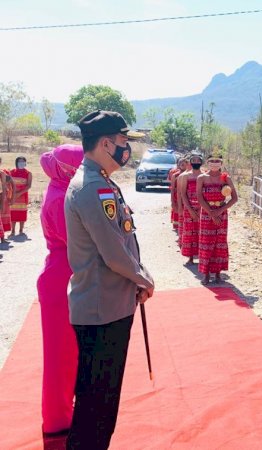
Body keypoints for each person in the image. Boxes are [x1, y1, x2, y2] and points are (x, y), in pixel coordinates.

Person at [64, 110, 155, 449]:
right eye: (123, 142)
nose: (127, 149)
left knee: (103, 403)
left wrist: (135, 282)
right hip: (102, 312)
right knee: (94, 407)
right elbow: (113, 254)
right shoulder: (91, 188)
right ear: (105, 143)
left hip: (111, 304)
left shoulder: (100, 181)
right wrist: (144, 279)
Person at [37, 144, 84, 445]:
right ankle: (57, 423)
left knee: (73, 354)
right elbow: (85, 243)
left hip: (68, 274)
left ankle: (69, 413)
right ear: (68, 170)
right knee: (59, 359)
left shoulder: (63, 189)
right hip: (63, 278)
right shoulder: (60, 199)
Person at [196, 155, 238, 284]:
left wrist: (219, 211)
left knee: (220, 242)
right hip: (206, 213)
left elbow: (234, 198)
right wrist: (211, 213)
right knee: (206, 242)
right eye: (212, 161)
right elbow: (199, 197)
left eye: (217, 161)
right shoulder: (202, 178)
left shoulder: (226, 178)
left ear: (221, 163)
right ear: (208, 163)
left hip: (221, 213)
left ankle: (218, 273)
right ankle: (206, 274)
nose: (215, 163)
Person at [178, 153, 204, 265]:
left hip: (203, 208)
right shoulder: (185, 176)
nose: (196, 162)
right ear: (190, 162)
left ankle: (203, 256)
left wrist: (201, 208)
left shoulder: (205, 176)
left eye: (198, 160)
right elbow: (183, 194)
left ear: (201, 162)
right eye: (194, 160)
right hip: (189, 208)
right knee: (189, 232)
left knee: (201, 232)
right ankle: (191, 257)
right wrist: (190, 210)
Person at [10, 156, 32, 236]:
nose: (21, 163)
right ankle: (12, 231)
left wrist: (19, 193)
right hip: (13, 196)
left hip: (23, 196)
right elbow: (9, 184)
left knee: (22, 213)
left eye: (23, 161)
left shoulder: (28, 173)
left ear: (25, 163)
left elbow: (28, 186)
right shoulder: (12, 172)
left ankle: (21, 230)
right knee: (12, 213)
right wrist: (13, 193)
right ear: (16, 163)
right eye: (20, 161)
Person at [169, 157, 188, 233]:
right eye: (181, 163)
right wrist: (172, 201)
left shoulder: (189, 175)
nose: (182, 164)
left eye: (184, 163)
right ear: (178, 165)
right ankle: (179, 230)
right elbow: (172, 189)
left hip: (187, 197)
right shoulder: (175, 175)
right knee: (178, 211)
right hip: (177, 197)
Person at [0, 157, 16, 244]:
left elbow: (11, 185)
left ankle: (2, 238)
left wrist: (3, 203)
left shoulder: (2, 174)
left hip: (2, 198)